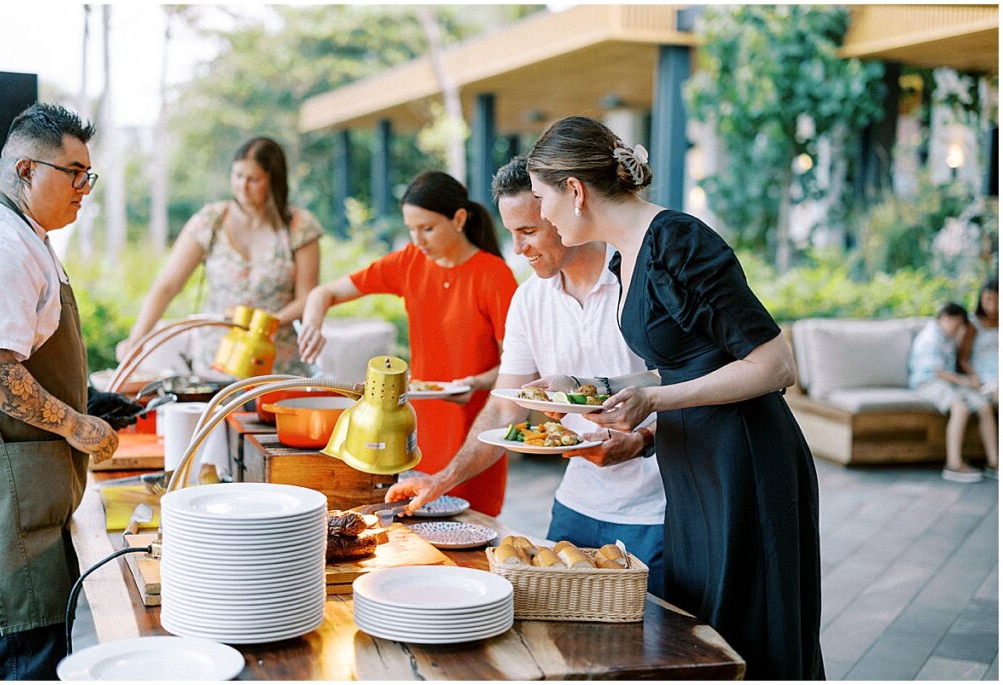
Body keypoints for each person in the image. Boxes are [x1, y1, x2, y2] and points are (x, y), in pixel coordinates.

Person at [524, 116, 824, 680]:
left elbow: (775, 364)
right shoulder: (626, 253)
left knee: (747, 628)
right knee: (703, 635)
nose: (541, 215)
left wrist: (656, 404)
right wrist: (589, 387)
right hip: (692, 460)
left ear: (575, 190)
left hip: (742, 459)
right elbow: (683, 364)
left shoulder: (678, 241)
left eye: (542, 198)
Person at [387, 158, 667, 595]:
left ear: (566, 210)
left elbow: (686, 386)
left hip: (657, 511)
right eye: (512, 233)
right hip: (576, 505)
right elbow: (504, 407)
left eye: (529, 231)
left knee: (657, 632)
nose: (518, 249)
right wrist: (442, 480)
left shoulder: (640, 281)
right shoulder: (529, 300)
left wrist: (643, 440)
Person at [0, 103, 120, 679]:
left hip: (36, 489)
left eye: (89, 175)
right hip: (13, 494)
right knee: (25, 657)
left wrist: (91, 399)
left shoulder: (29, 236)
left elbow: (33, 352)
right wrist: (77, 425)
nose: (84, 189)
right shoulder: (2, 244)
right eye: (74, 174)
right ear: (25, 170)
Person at [298, 171, 517, 515]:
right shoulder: (410, 262)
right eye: (411, 229)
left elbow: (515, 366)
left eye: (427, 228)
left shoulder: (494, 275)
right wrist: (312, 324)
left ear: (459, 219)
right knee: (414, 519)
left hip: (475, 433)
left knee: (470, 529)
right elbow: (323, 293)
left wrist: (475, 382)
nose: (417, 240)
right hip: (417, 430)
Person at [119, 136, 323, 376]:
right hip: (215, 361)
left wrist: (265, 323)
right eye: (238, 176)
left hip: (278, 364)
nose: (242, 186)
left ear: (274, 180)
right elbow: (167, 286)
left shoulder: (299, 226)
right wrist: (136, 342)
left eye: (253, 179)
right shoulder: (211, 220)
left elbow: (308, 297)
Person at [909, 302, 998, 481]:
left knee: (983, 406)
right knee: (960, 408)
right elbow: (937, 372)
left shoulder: (948, 337)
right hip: (928, 382)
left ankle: (994, 462)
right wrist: (965, 381)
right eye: (956, 325)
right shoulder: (931, 338)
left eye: (960, 326)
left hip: (949, 382)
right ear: (945, 318)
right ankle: (954, 464)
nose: (957, 329)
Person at [959, 279, 999, 403]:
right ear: (981, 299)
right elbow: (963, 359)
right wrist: (974, 377)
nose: (993, 306)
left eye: (998, 300)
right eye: (988, 300)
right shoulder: (973, 323)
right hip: (984, 375)